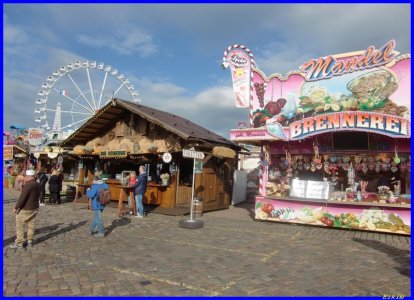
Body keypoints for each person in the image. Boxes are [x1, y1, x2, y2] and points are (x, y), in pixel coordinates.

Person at [9, 169, 41, 249]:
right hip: (35, 207)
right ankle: (30, 241)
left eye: (25, 177)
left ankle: (19, 243)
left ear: (28, 177)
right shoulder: (37, 184)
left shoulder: (28, 185)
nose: (25, 178)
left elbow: (22, 198)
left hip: (27, 208)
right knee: (31, 225)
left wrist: (16, 207)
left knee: (19, 224)